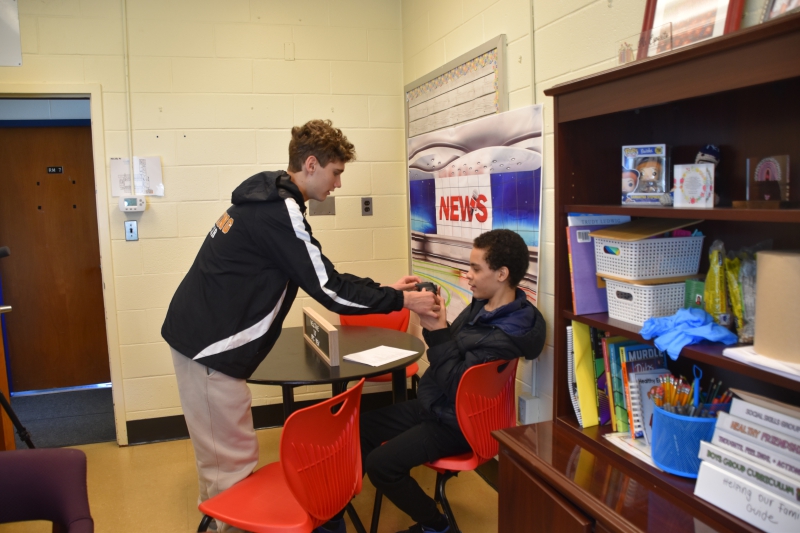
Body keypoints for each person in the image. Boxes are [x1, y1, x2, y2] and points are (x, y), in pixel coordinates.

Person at [161, 120, 437, 533]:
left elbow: (324, 275)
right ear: (311, 164)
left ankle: (221, 517)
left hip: (199, 341)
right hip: (209, 350)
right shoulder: (279, 211)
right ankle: (229, 523)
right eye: (336, 172)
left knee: (219, 460)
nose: (338, 184)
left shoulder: (264, 200)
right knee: (230, 469)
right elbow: (329, 289)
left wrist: (384, 290)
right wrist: (402, 299)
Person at [319, 229, 546, 533]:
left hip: (459, 423)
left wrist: (437, 331)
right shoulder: (485, 306)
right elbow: (456, 351)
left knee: (381, 466)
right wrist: (436, 324)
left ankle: (438, 526)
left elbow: (457, 385)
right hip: (439, 406)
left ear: (502, 273)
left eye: (476, 269)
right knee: (358, 427)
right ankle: (334, 512)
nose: (468, 276)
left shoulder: (506, 334)